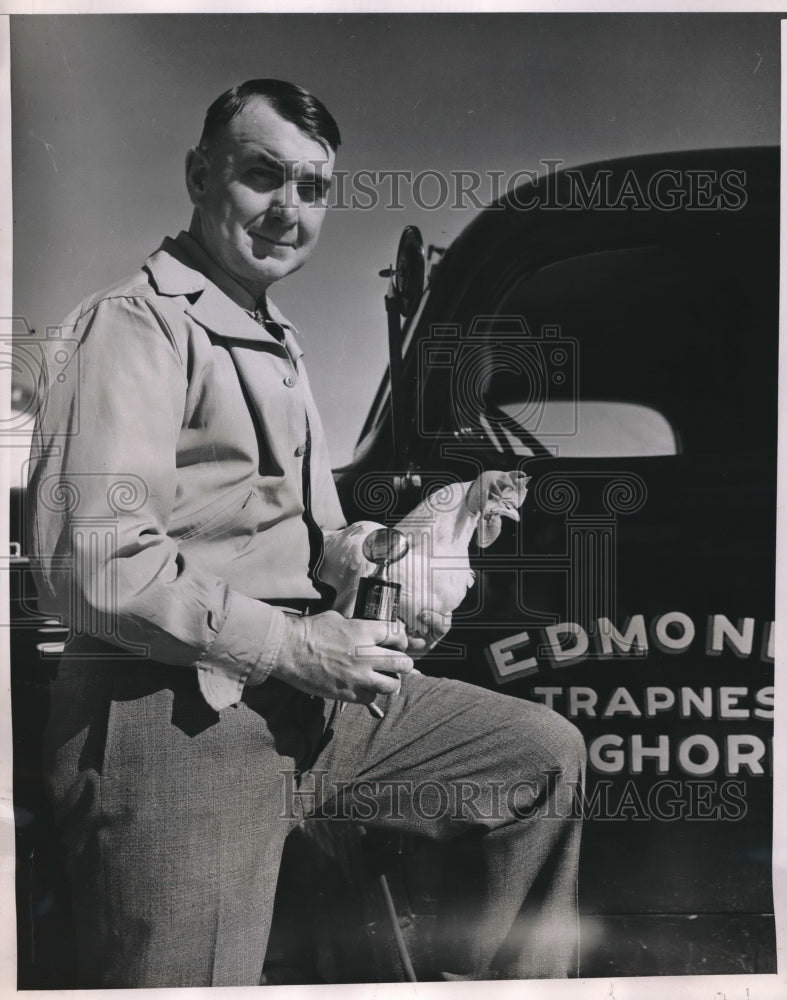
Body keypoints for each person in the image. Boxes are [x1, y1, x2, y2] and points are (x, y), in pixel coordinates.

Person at [27, 79, 586, 988]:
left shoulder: (269, 331)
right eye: (262, 176)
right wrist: (292, 645)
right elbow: (93, 562)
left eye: (314, 188)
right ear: (199, 175)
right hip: (169, 721)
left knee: (537, 761)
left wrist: (364, 548)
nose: (289, 211)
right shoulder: (136, 327)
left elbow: (292, 533)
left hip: (309, 711)